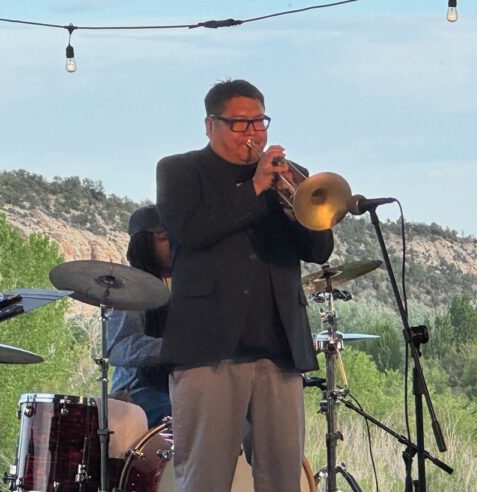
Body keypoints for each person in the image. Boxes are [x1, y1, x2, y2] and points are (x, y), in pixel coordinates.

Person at [155, 79, 334, 491]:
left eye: (259, 121)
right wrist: (254, 187)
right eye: (239, 124)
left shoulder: (289, 176)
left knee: (283, 479)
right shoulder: (180, 170)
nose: (252, 133)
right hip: (208, 347)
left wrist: (293, 201)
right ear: (209, 125)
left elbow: (319, 248)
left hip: (280, 346)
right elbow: (192, 232)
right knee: (206, 478)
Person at [107, 205, 173, 428]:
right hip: (138, 391)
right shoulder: (130, 287)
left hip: (179, 384)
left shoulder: (189, 283)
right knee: (185, 416)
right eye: (164, 238)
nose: (174, 245)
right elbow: (118, 348)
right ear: (144, 244)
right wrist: (175, 347)